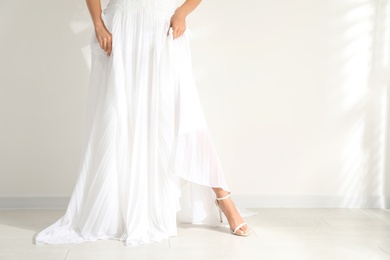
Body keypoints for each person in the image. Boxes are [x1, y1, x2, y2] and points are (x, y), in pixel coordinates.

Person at [35, 0, 253, 246]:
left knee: (187, 115)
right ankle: (126, 205)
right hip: (120, 29)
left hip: (163, 27)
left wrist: (182, 12)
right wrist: (98, 23)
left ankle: (224, 198)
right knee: (119, 115)